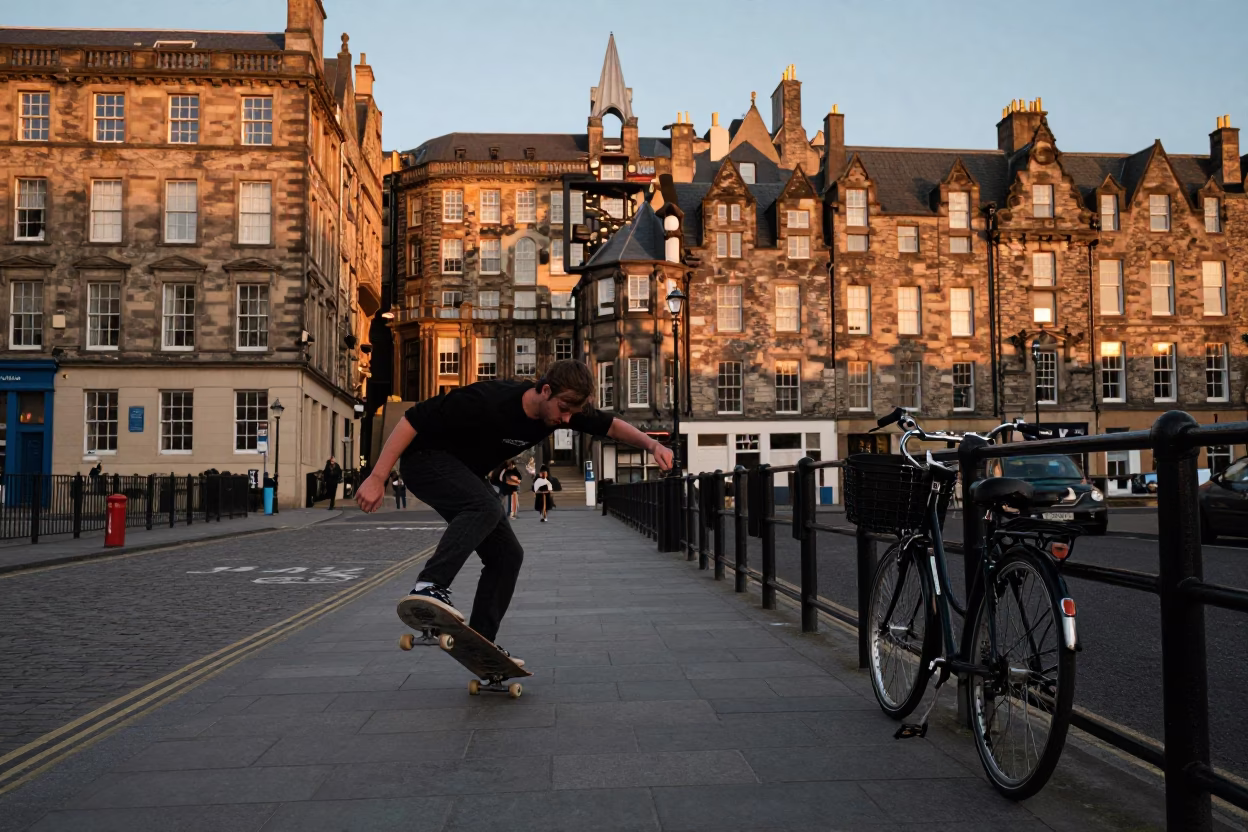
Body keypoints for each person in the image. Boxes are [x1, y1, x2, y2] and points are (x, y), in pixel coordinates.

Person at [355, 359, 672, 663]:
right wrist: (378, 476)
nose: (565, 419)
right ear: (545, 390)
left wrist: (653, 446)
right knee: (484, 507)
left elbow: (611, 426)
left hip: (462, 471)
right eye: (563, 410)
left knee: (507, 555)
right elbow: (411, 419)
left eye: (571, 414)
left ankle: (480, 643)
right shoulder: (487, 400)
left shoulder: (564, 408)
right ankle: (430, 585)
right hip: (425, 460)